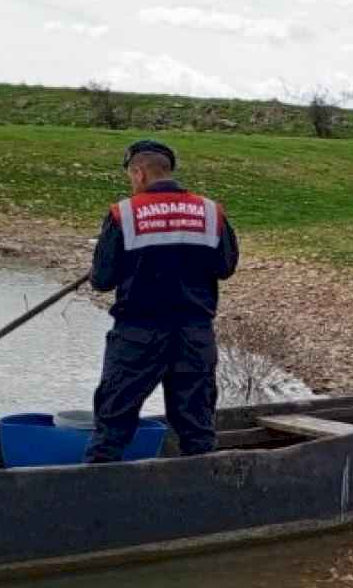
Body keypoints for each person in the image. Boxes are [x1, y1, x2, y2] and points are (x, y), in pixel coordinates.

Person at [85, 139, 239, 463]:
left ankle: (96, 495)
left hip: (138, 335)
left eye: (131, 176)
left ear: (139, 173)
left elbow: (101, 280)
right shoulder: (211, 212)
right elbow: (225, 268)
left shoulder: (123, 214)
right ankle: (201, 496)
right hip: (194, 334)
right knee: (197, 429)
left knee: (113, 424)